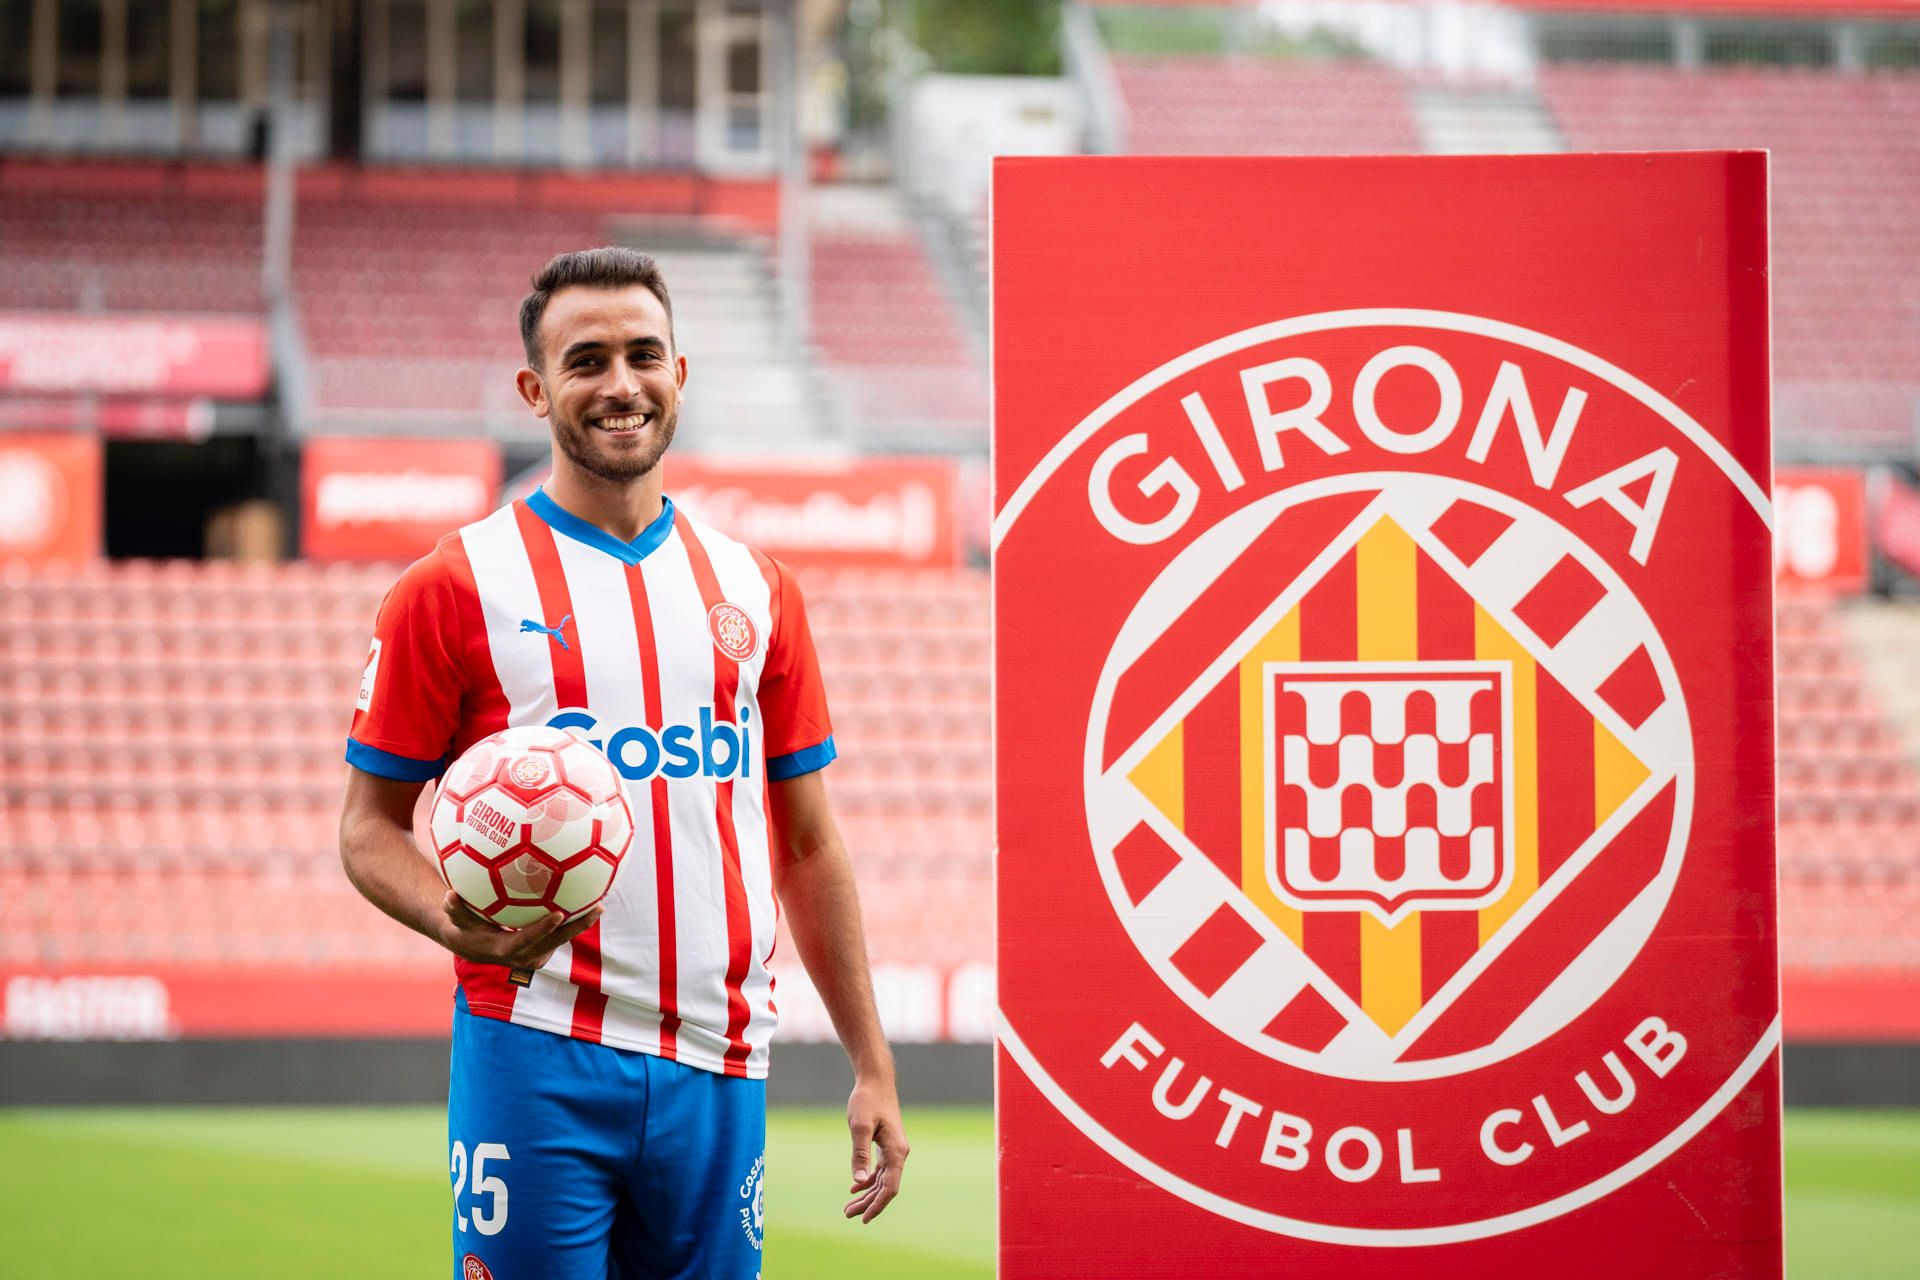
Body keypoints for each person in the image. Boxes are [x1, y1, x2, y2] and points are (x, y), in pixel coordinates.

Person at [337, 246, 907, 1280]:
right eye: (585, 359)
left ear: (679, 372)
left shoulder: (757, 588)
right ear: (535, 388)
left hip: (721, 1062)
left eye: (644, 354)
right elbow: (366, 826)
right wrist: (447, 917)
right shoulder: (452, 584)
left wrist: (872, 1061)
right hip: (535, 1044)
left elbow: (811, 846)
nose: (619, 384)